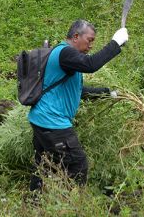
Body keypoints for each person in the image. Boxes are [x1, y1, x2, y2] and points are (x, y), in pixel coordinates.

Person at [28, 20, 129, 191]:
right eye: (90, 40)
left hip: (41, 119)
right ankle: (72, 204)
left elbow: (78, 91)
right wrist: (115, 43)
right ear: (76, 37)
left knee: (44, 165)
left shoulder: (65, 57)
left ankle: (35, 203)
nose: (91, 46)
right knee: (78, 165)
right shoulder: (65, 53)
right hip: (53, 123)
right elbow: (90, 65)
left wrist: (107, 93)